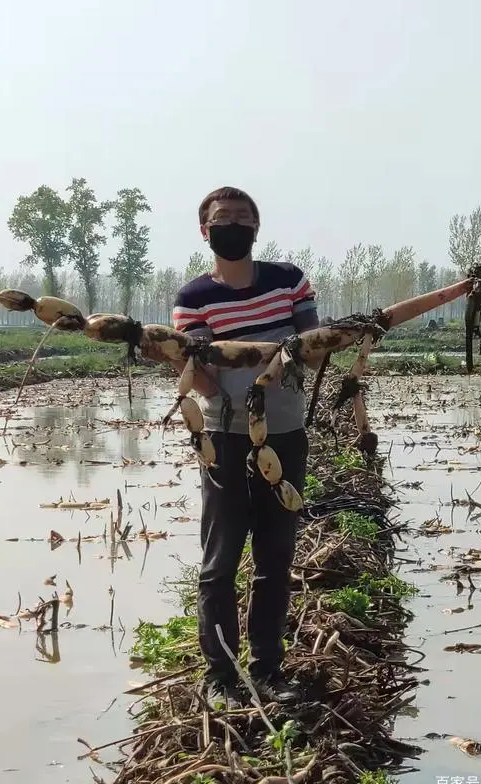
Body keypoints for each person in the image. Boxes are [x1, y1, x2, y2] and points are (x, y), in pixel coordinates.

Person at [171, 186, 319, 709]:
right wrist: (227, 388)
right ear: (205, 231)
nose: (232, 224)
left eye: (242, 217)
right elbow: (197, 372)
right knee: (220, 559)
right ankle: (220, 675)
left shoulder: (288, 281)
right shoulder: (193, 299)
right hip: (224, 440)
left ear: (256, 227)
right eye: (221, 218)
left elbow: (311, 344)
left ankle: (268, 668)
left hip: (284, 434)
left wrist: (289, 362)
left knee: (275, 557)